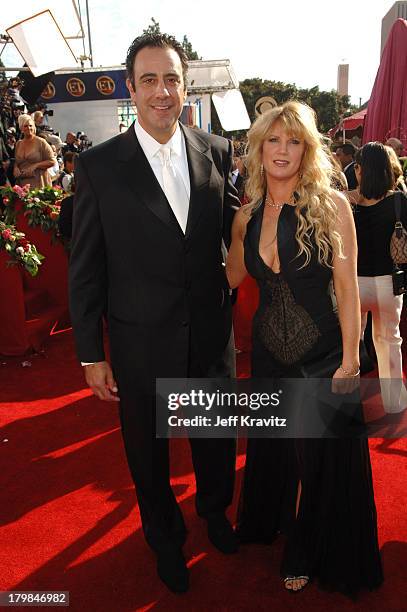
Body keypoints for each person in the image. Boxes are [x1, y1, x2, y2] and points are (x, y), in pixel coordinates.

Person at [69, 33, 240, 594]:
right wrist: (91, 353)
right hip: (139, 341)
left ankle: (215, 512)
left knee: (214, 438)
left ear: (185, 85)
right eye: (149, 80)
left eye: (171, 79)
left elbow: (234, 232)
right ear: (131, 88)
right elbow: (86, 268)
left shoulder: (216, 151)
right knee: (147, 452)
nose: (161, 91)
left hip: (209, 333)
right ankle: (164, 538)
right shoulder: (98, 166)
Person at [226, 101, 383, 595]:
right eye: (274, 139)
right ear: (258, 147)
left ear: (307, 149)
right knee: (278, 450)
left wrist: (353, 359)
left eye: (294, 141)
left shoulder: (332, 205)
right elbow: (228, 277)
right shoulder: (246, 215)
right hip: (270, 354)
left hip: (322, 353)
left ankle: (306, 546)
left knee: (317, 456)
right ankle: (270, 521)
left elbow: (349, 285)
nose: (282, 149)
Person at [353, 142, 407, 414]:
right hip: (389, 282)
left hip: (354, 284)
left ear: (361, 170)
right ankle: (394, 402)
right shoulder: (399, 200)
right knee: (389, 341)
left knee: (350, 340)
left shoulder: (348, 202)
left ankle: (348, 399)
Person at [13, 114, 55, 188]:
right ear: (21, 128)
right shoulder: (18, 144)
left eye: (30, 125)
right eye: (25, 126)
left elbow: (52, 161)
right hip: (22, 184)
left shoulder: (41, 142)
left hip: (39, 182)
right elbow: (17, 161)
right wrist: (15, 167)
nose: (29, 128)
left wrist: (36, 165)